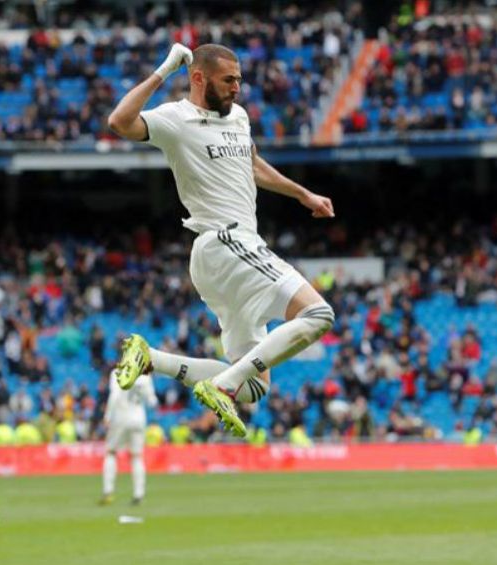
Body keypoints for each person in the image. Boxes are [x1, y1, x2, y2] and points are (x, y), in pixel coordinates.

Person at [107, 43, 335, 437]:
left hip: (225, 255)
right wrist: (165, 69)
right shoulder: (176, 118)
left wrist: (302, 194)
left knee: (253, 386)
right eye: (229, 80)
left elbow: (250, 166)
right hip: (226, 240)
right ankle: (221, 387)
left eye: (239, 81)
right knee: (319, 315)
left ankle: (153, 359)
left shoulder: (239, 118)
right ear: (198, 78)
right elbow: (119, 121)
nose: (236, 89)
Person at [99, 369, 157, 506]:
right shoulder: (144, 376)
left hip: (121, 417)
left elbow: (114, 396)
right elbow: (152, 401)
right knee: (136, 456)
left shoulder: (117, 372)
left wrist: (107, 416)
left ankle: (108, 491)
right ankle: (139, 493)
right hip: (139, 419)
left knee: (111, 452)